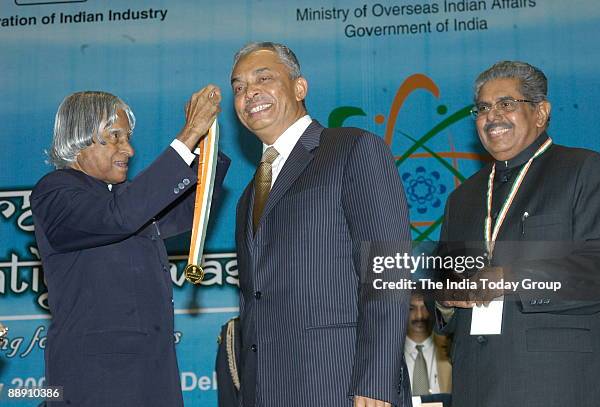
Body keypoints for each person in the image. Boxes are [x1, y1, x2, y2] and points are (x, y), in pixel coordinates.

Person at [231, 42, 412, 407]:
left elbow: (388, 268)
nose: (249, 93)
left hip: (340, 382)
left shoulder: (353, 148)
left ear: (299, 88)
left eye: (263, 78)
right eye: (238, 87)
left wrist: (375, 381)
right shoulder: (249, 192)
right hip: (265, 390)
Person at [31, 87, 230, 406]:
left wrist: (205, 146)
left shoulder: (123, 202)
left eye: (128, 137)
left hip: (152, 375)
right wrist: (188, 135)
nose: (130, 149)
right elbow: (119, 216)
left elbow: (187, 212)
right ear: (80, 138)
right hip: (99, 383)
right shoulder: (55, 193)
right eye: (115, 136)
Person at [436, 61, 600, 407]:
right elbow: (445, 286)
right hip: (476, 385)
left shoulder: (585, 170)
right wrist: (445, 301)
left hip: (557, 384)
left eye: (507, 104)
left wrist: (507, 278)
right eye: (483, 108)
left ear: (541, 112)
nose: (492, 116)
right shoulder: (462, 198)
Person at [404, 293, 451, 397]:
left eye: (424, 307)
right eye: (412, 308)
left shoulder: (450, 348)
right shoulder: (389, 355)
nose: (419, 316)